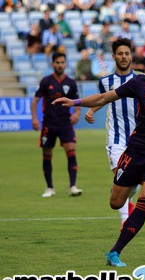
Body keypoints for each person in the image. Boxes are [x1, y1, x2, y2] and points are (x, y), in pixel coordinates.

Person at [53, 43, 145, 267]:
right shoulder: (140, 84)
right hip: (136, 151)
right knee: (116, 202)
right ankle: (124, 184)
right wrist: (75, 102)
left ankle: (115, 252)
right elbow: (103, 98)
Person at [84, 38, 142, 229]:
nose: (124, 57)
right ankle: (126, 221)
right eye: (120, 54)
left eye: (127, 53)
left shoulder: (141, 80)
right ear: (114, 56)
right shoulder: (106, 81)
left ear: (131, 56)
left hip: (139, 140)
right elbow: (102, 100)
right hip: (116, 138)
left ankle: (124, 198)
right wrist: (92, 110)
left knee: (134, 182)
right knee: (122, 176)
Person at [31, 52, 83, 198]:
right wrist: (34, 119)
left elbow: (77, 101)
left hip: (65, 124)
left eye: (62, 62)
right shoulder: (46, 81)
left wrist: (77, 113)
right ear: (53, 64)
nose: (60, 65)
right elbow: (35, 101)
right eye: (57, 62)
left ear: (65, 64)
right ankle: (49, 188)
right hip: (49, 124)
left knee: (71, 152)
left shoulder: (71, 83)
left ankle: (73, 186)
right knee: (47, 156)